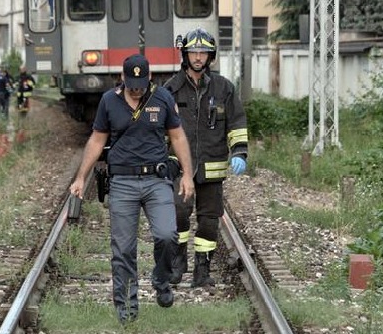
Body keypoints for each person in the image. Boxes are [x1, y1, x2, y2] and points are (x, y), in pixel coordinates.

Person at [69, 54, 195, 324]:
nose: (136, 89)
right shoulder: (108, 101)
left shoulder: (162, 98)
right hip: (122, 183)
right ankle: (127, 310)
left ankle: (161, 280)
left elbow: (178, 136)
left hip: (156, 181)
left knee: (167, 235)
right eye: (131, 83)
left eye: (141, 82)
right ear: (122, 78)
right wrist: (81, 177)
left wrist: (187, 175)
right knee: (123, 249)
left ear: (149, 77)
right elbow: (96, 140)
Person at [164, 28, 249, 287]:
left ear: (210, 56)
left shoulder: (224, 88)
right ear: (185, 55)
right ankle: (178, 265)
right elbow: (159, 127)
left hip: (212, 165)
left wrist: (240, 152)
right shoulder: (170, 89)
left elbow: (236, 123)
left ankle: (203, 271)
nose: (198, 57)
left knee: (209, 221)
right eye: (193, 52)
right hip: (180, 168)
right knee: (178, 215)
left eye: (203, 52)